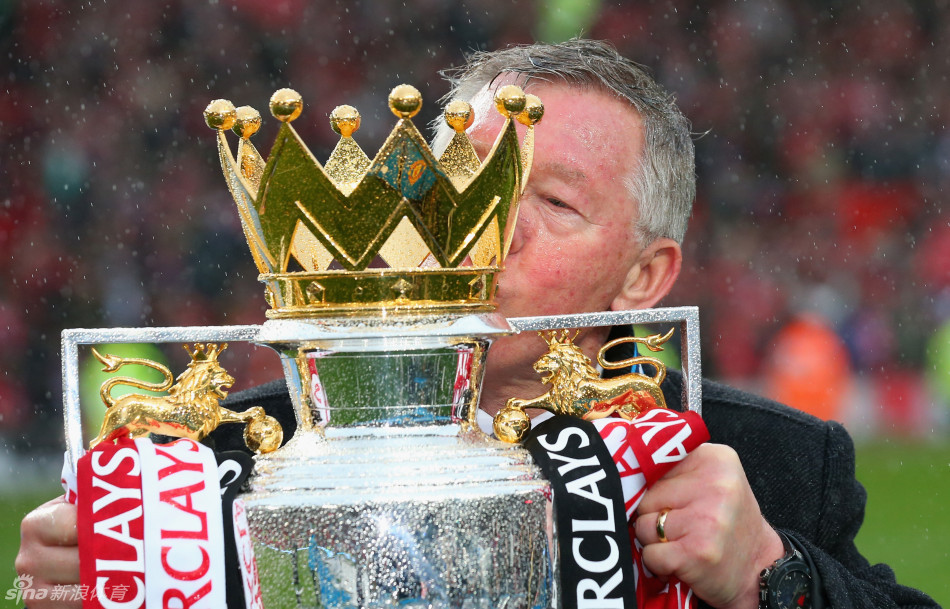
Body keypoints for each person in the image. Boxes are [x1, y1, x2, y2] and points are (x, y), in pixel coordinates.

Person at [17, 39, 938, 609]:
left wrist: (772, 576)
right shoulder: (214, 464)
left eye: (556, 202)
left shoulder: (764, 465)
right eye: (454, 181)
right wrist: (53, 587)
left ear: (643, 278)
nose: (486, 223)